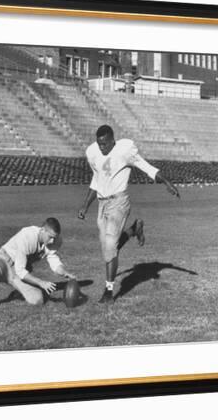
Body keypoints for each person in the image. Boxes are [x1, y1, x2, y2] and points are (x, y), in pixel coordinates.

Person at [77, 125, 180, 304]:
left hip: (119, 201)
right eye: (99, 143)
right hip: (102, 203)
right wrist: (85, 206)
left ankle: (109, 291)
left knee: (110, 247)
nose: (102, 148)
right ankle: (134, 229)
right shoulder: (92, 152)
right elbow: (96, 180)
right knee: (109, 249)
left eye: (105, 144)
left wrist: (167, 182)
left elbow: (147, 168)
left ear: (112, 140)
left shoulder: (125, 150)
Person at [0, 217, 76, 317]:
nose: (52, 241)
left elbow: (54, 261)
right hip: (4, 261)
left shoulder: (55, 241)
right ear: (43, 230)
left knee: (38, 300)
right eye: (50, 237)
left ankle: (17, 292)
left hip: (17, 273)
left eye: (55, 238)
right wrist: (41, 283)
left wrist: (64, 272)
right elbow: (21, 271)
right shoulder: (27, 236)